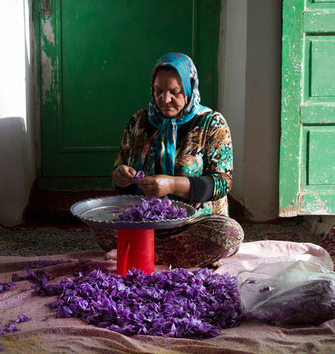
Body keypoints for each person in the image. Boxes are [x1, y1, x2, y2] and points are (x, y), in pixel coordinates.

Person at [93, 52, 244, 268]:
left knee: (228, 235)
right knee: (99, 224)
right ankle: (179, 253)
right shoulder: (140, 121)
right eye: (158, 91)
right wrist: (120, 176)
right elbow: (119, 170)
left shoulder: (212, 123)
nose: (165, 100)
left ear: (189, 89)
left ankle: (141, 250)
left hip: (195, 223)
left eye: (175, 92)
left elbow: (221, 183)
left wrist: (172, 184)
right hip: (145, 222)